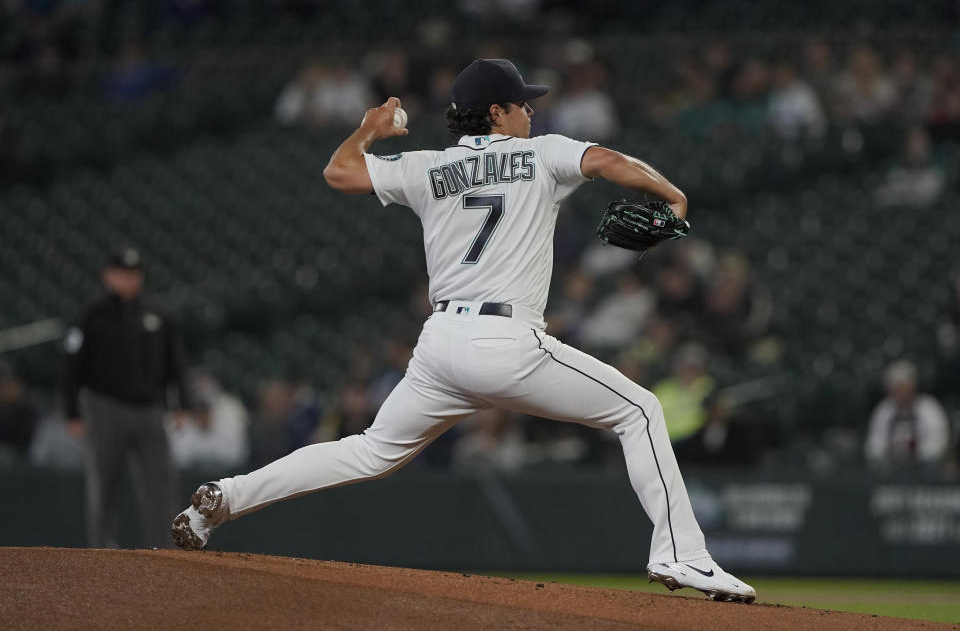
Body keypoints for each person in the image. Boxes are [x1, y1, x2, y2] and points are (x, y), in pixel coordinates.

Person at [172, 58, 756, 603]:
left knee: (370, 451)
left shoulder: (429, 167)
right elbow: (608, 161)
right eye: (522, 104)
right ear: (498, 113)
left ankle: (223, 499)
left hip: (441, 346)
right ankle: (683, 555)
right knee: (640, 411)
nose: (531, 112)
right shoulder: (544, 154)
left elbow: (338, 171)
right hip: (505, 341)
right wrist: (671, 194)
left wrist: (370, 128)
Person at [64, 248, 189, 548]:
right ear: (108, 276)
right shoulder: (92, 317)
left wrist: (181, 404)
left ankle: (165, 550)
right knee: (104, 483)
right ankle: (103, 550)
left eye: (134, 273)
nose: (129, 279)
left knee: (160, 485)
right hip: (107, 408)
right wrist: (72, 412)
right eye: (122, 273)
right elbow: (72, 369)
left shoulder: (157, 316)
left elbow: (176, 364)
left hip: (150, 409)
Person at [864, 360, 950, 469]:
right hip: (890, 469)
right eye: (896, 389)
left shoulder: (929, 408)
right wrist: (889, 456)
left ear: (913, 387)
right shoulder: (883, 410)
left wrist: (914, 457)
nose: (900, 393)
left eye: (904, 387)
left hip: (923, 468)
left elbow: (937, 443)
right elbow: (874, 445)